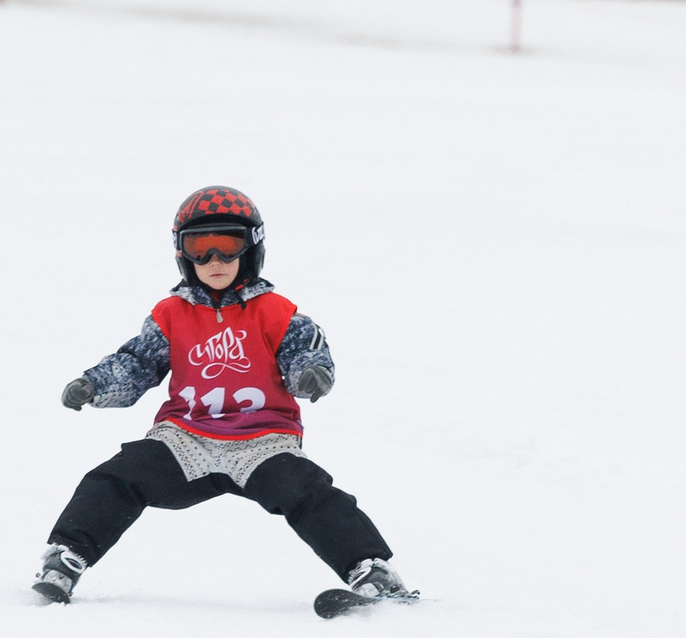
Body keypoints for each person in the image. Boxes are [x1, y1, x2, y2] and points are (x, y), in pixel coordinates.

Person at [31, 186, 416, 611]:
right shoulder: (172, 314)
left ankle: (371, 568)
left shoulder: (275, 312)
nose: (214, 261)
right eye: (199, 249)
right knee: (117, 477)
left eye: (227, 247)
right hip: (184, 438)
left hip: (262, 439)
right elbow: (136, 363)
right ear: (182, 254)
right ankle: (65, 560)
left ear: (251, 250)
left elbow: (306, 353)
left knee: (306, 491)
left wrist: (311, 376)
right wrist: (95, 385)